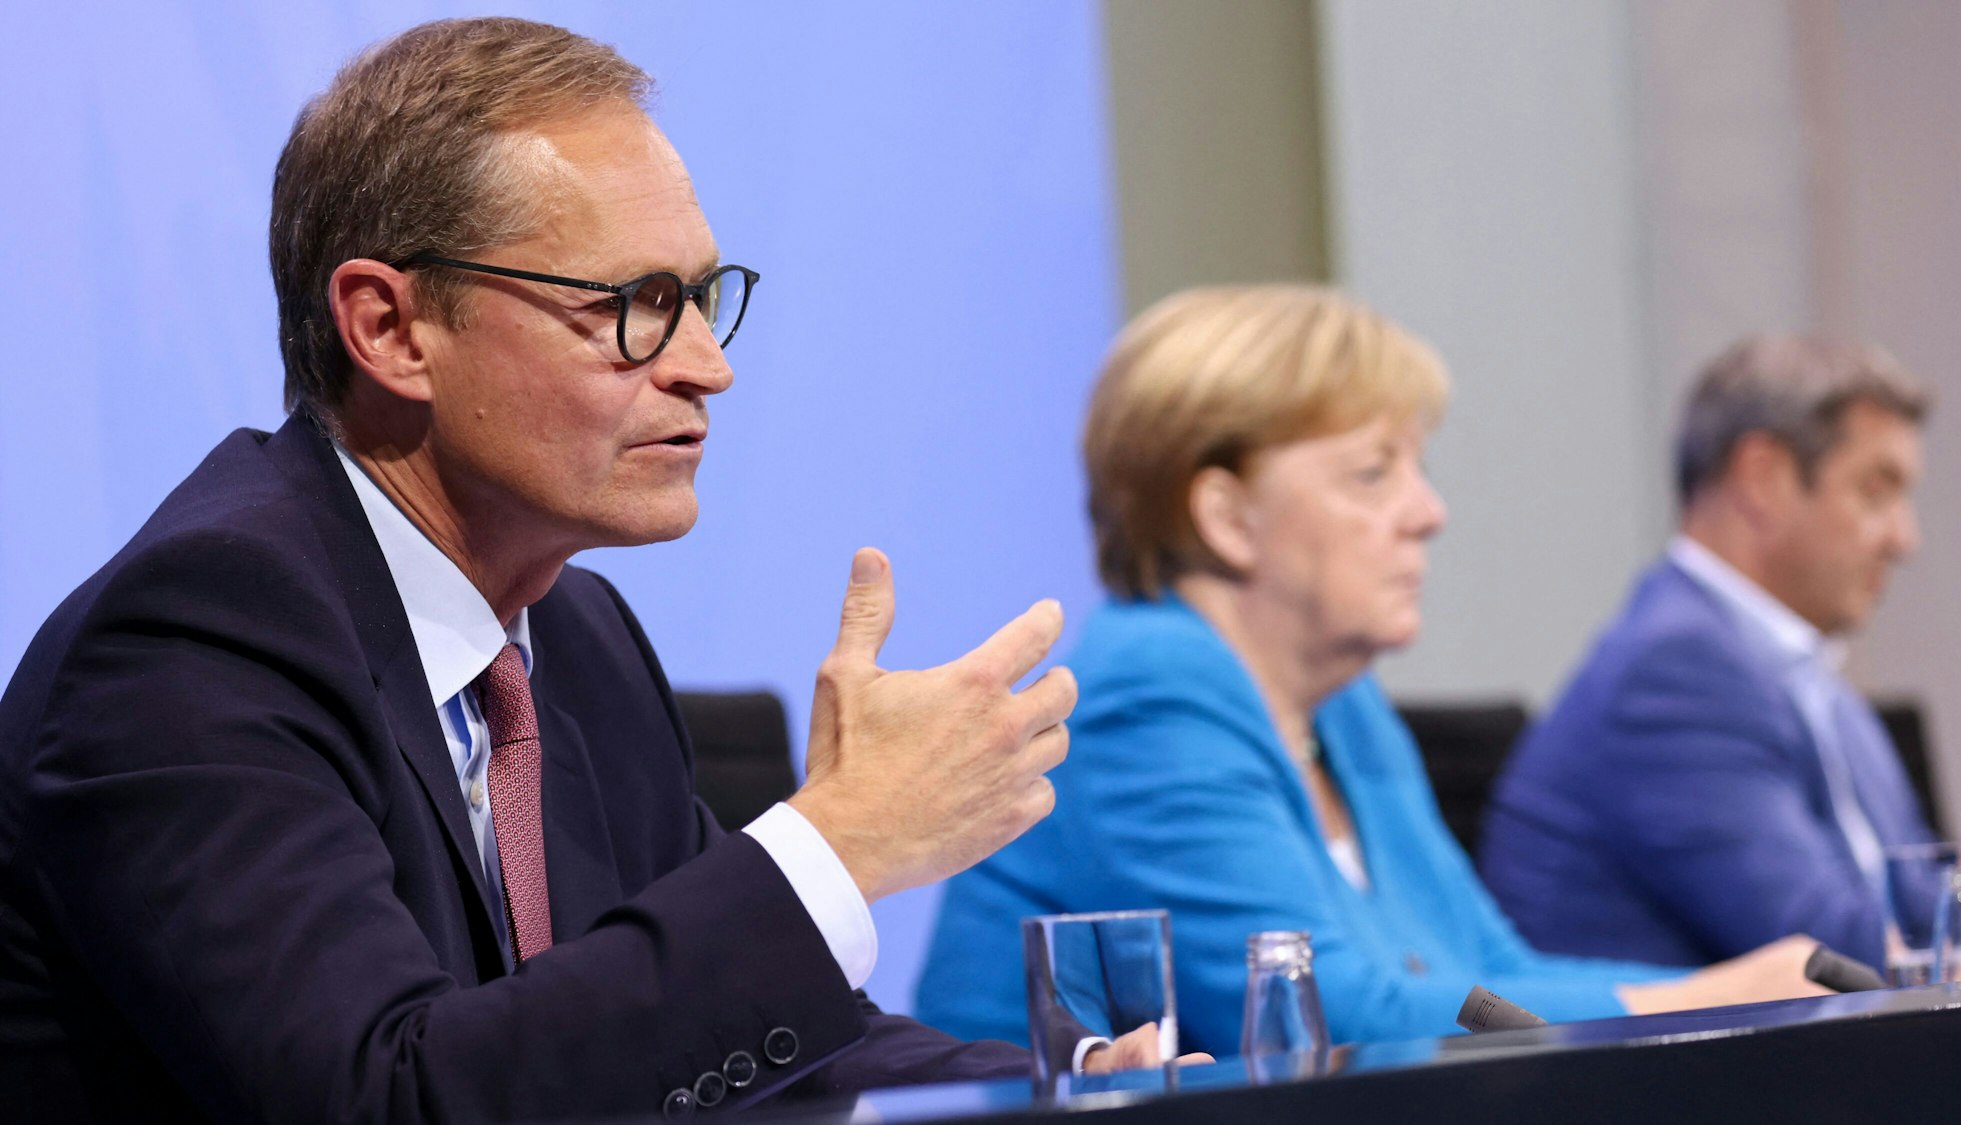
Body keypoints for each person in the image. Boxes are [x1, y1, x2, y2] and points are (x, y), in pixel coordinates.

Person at [0, 17, 1169, 1122]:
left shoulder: (575, 632)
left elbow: (700, 1042)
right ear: (391, 330)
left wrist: (1068, 1089)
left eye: (701, 300)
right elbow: (388, 1098)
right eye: (638, 305)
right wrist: (838, 843)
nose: (706, 366)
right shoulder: (196, 641)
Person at [913, 287, 1821, 1054]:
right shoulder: (1148, 696)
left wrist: (1729, 992)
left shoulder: (1341, 706)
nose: (1429, 512)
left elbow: (1487, 970)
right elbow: (1333, 1020)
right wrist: (1711, 999)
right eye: (1373, 473)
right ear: (1227, 516)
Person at [1480, 335, 1960, 971]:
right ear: (1763, 479)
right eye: (1875, 492)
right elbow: (1836, 957)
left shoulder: (1811, 681)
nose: (1904, 539)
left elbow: (1928, 904)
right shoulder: (1673, 675)